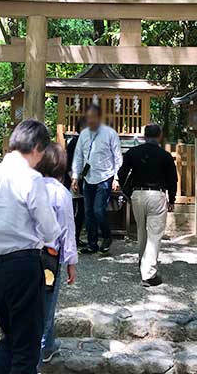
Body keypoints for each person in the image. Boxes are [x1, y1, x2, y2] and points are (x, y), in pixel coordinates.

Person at [0, 119, 61, 374]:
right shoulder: (31, 178)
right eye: (42, 153)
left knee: (11, 341)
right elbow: (50, 229)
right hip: (22, 267)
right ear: (36, 147)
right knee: (26, 349)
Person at [117, 123, 178, 287]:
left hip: (137, 194)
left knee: (141, 230)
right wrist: (172, 199)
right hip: (157, 195)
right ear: (159, 136)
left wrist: (126, 192)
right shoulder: (165, 156)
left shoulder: (132, 153)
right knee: (154, 234)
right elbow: (173, 180)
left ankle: (142, 262)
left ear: (144, 136)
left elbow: (121, 174)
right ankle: (149, 274)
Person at [34, 143, 78, 365]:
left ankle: (47, 344)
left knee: (29, 300)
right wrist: (71, 261)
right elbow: (67, 230)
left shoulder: (29, 187)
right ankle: (41, 351)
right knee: (47, 301)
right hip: (49, 257)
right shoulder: (62, 193)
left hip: (24, 254)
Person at [70, 104, 122, 254]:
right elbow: (78, 156)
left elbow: (117, 157)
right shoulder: (83, 135)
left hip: (105, 176)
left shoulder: (110, 133)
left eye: (93, 117)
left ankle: (107, 236)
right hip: (88, 177)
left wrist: (116, 178)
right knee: (88, 212)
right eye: (88, 117)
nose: (91, 120)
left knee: (99, 210)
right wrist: (75, 177)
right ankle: (92, 244)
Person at [67, 117, 87, 247]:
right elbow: (68, 162)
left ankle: (76, 236)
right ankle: (70, 238)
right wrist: (72, 179)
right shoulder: (74, 142)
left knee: (82, 211)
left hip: (85, 179)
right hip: (73, 179)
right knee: (71, 210)